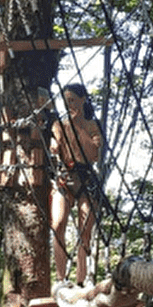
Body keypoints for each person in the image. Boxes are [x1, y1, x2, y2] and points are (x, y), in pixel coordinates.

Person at [49, 84, 104, 286]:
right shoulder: (59, 125)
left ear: (82, 100)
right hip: (64, 177)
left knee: (85, 231)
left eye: (72, 100)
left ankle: (81, 279)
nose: (69, 104)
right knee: (58, 224)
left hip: (86, 179)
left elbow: (93, 154)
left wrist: (76, 127)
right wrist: (54, 143)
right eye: (66, 101)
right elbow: (55, 145)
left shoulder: (92, 126)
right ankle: (60, 278)